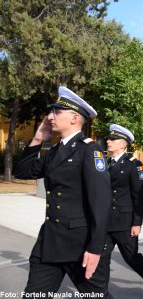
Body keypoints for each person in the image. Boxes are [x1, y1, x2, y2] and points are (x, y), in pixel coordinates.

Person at [14, 86, 112, 298]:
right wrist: (38, 139)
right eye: (51, 112)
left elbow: (101, 202)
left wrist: (95, 249)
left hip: (81, 245)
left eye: (56, 112)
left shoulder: (89, 149)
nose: (50, 117)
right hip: (50, 242)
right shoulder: (55, 151)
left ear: (74, 117)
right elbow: (22, 172)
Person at [101, 124, 143, 298]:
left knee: (131, 257)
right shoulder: (105, 163)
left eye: (113, 139)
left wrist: (136, 223)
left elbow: (138, 196)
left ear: (123, 144)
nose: (109, 142)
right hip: (106, 221)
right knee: (102, 258)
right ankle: (101, 293)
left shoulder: (134, 164)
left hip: (124, 221)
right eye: (108, 139)